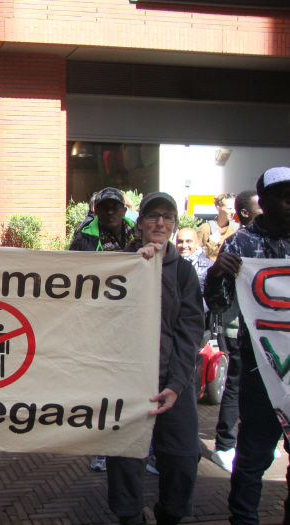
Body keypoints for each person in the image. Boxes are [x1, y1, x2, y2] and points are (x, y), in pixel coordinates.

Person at [107, 192, 204, 525]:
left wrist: (177, 385)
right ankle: (130, 515)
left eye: (167, 217)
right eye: (152, 216)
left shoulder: (185, 273)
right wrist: (139, 267)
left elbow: (190, 333)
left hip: (173, 382)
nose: (160, 222)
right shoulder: (120, 264)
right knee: (124, 458)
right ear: (141, 223)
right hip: (127, 380)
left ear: (175, 225)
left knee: (182, 458)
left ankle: (170, 513)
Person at [204, 167, 290, 525]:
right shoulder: (242, 243)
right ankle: (243, 518)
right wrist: (216, 274)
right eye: (283, 195)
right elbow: (221, 306)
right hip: (261, 369)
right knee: (255, 452)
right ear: (264, 201)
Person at [70, 187, 137, 472]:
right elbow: (71, 275)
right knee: (104, 388)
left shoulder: (140, 230)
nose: (110, 212)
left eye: (115, 207)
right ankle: (103, 449)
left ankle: (139, 444)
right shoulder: (84, 235)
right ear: (96, 210)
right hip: (100, 323)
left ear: (124, 209)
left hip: (135, 320)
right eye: (104, 207)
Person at [209, 189, 263, 473]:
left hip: (271, 336)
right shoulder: (236, 244)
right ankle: (225, 444)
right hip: (238, 329)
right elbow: (218, 298)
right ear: (244, 212)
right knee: (236, 384)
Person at [69, 187, 137, 253]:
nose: (110, 212)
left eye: (115, 207)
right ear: (96, 212)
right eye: (105, 208)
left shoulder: (139, 233)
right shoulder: (84, 242)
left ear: (124, 211)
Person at [197, 193, 239, 261]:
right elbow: (197, 255)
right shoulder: (205, 228)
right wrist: (212, 243)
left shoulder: (236, 228)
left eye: (234, 208)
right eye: (229, 208)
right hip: (211, 269)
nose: (233, 212)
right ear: (218, 207)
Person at [175, 227, 213, 300]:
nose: (184, 246)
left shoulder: (209, 267)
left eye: (188, 241)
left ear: (197, 243)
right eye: (180, 242)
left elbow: (212, 298)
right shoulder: (170, 264)